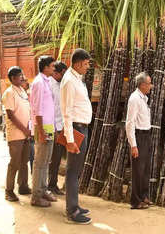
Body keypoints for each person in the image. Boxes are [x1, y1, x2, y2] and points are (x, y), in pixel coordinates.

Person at [61, 48, 93, 224]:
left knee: (76, 170)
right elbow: (66, 113)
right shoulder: (69, 82)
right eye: (86, 64)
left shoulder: (77, 79)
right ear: (79, 63)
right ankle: (72, 211)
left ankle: (75, 205)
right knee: (72, 172)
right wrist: (70, 140)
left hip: (82, 128)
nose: (87, 67)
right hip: (76, 130)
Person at [29, 55, 57, 207]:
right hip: (42, 127)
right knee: (39, 163)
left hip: (48, 127)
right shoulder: (39, 83)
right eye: (52, 66)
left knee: (46, 161)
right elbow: (37, 109)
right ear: (45, 67)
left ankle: (43, 190)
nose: (54, 68)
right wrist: (40, 131)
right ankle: (36, 196)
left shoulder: (47, 81)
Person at [2, 66, 32, 202]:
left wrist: (28, 129)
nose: (23, 77)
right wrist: (24, 129)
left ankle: (23, 186)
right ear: (13, 78)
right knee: (14, 163)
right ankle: (9, 191)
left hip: (26, 133)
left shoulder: (22, 91)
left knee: (24, 161)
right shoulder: (9, 93)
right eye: (20, 75)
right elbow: (11, 116)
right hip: (15, 134)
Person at [125, 72, 153, 210]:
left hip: (146, 135)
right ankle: (135, 201)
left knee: (146, 169)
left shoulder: (144, 98)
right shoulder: (134, 99)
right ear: (142, 85)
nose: (151, 86)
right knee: (137, 170)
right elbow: (129, 123)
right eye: (149, 84)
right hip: (139, 136)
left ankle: (143, 196)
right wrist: (133, 145)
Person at [48, 61, 68, 195]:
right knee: (50, 158)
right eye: (63, 73)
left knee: (57, 157)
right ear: (56, 73)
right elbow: (50, 109)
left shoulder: (61, 84)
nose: (64, 75)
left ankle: (53, 184)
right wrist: (54, 129)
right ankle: (49, 185)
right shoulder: (49, 85)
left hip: (61, 126)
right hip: (52, 127)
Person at [21, 75, 35, 173]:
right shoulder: (18, 96)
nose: (27, 82)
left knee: (32, 153)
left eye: (26, 80)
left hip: (31, 129)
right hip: (22, 130)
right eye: (24, 80)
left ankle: (33, 174)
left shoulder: (29, 95)